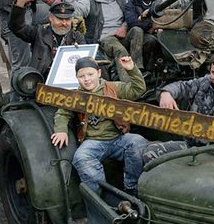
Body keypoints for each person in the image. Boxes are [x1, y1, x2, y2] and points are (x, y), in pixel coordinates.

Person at [52, 56, 148, 195]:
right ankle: (100, 197)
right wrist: (61, 130)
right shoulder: (76, 95)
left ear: (99, 73)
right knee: (81, 158)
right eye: (81, 76)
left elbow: (138, 89)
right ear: (77, 78)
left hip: (117, 138)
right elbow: (62, 113)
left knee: (137, 142)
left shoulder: (113, 88)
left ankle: (132, 188)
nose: (86, 79)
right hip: (93, 142)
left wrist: (131, 70)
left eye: (90, 74)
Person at [143, 50, 214, 163]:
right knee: (150, 153)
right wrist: (166, 93)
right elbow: (183, 87)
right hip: (191, 145)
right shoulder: (206, 81)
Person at [63, 0, 134, 81]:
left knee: (140, 33)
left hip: (122, 36)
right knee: (119, 50)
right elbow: (72, 10)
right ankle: (128, 83)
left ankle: (140, 72)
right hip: (103, 39)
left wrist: (124, 26)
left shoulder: (121, 0)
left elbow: (129, 17)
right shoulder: (90, 1)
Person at [8, 0, 85, 78]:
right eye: (60, 19)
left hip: (68, 82)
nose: (64, 23)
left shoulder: (77, 37)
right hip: (41, 82)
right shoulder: (39, 33)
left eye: (67, 19)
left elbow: (85, 64)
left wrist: (79, 53)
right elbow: (16, 27)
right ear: (50, 18)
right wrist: (21, 0)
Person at [124, 0, 177, 70]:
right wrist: (151, 25)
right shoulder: (131, 4)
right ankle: (136, 69)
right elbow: (132, 22)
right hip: (139, 38)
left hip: (159, 35)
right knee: (138, 31)